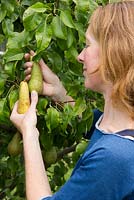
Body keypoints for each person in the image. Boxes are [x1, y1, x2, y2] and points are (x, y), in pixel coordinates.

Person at [10, 1, 134, 200]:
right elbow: (92, 125)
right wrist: (60, 93)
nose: (80, 56)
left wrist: (29, 132)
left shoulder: (114, 159)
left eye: (87, 45)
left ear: (113, 53)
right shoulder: (117, 126)